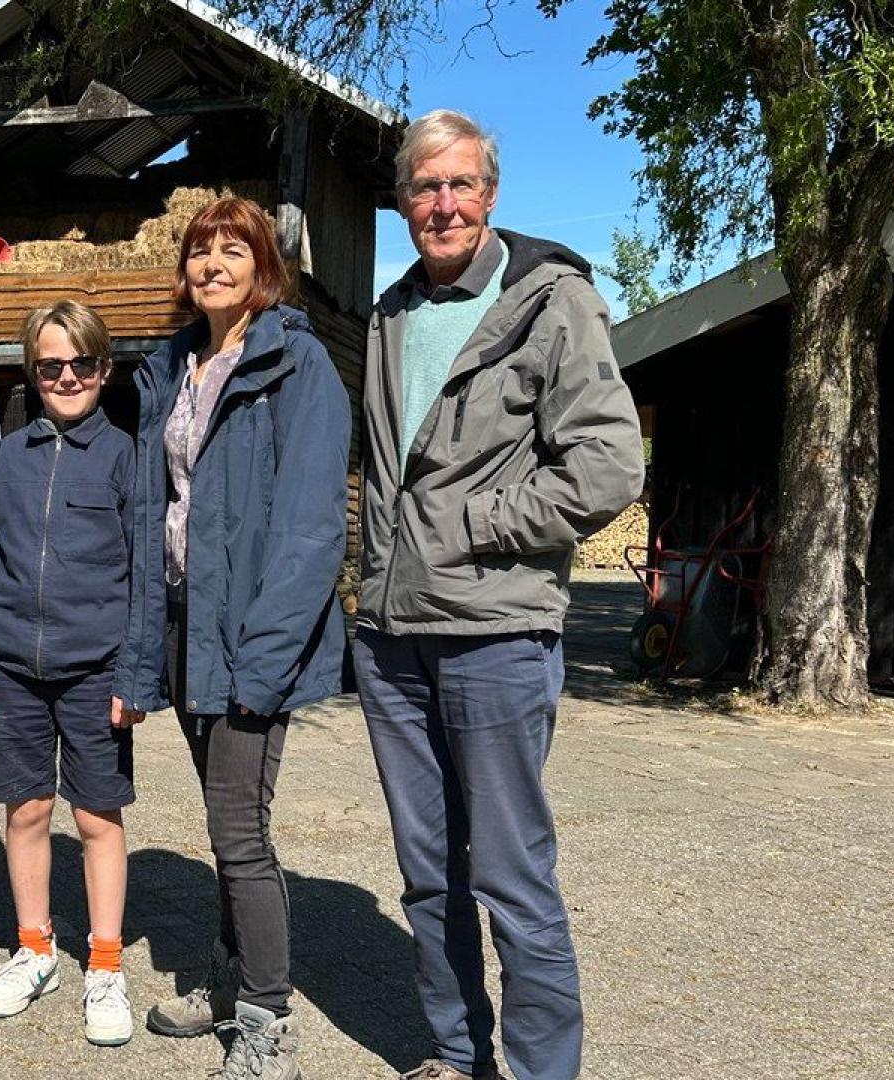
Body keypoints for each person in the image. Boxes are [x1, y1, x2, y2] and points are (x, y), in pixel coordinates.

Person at [354, 109, 644, 1080]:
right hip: (391, 638)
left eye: (460, 184)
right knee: (427, 873)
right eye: (424, 187)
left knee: (510, 873)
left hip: (495, 632)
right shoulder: (389, 315)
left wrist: (481, 524)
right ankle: (453, 1052)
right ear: (402, 202)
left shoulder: (551, 301)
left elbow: (609, 466)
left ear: (491, 194)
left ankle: (539, 1071)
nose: (442, 204)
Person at [118, 197, 350, 1080]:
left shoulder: (299, 366)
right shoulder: (173, 367)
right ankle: (227, 981)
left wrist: (266, 657)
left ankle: (266, 1024)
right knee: (225, 830)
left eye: (233, 250)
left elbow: (309, 530)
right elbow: (160, 505)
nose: (214, 264)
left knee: (239, 830)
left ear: (264, 267)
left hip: (252, 637)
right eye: (200, 251)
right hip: (187, 626)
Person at [0, 301, 139, 1046]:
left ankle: (104, 963)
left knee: (96, 816)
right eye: (50, 366)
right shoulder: (7, 456)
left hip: (95, 669)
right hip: (11, 665)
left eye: (81, 364)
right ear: (31, 374)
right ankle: (34, 950)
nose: (66, 377)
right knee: (26, 810)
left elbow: (145, 575)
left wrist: (136, 670)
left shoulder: (128, 455)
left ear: (104, 368)